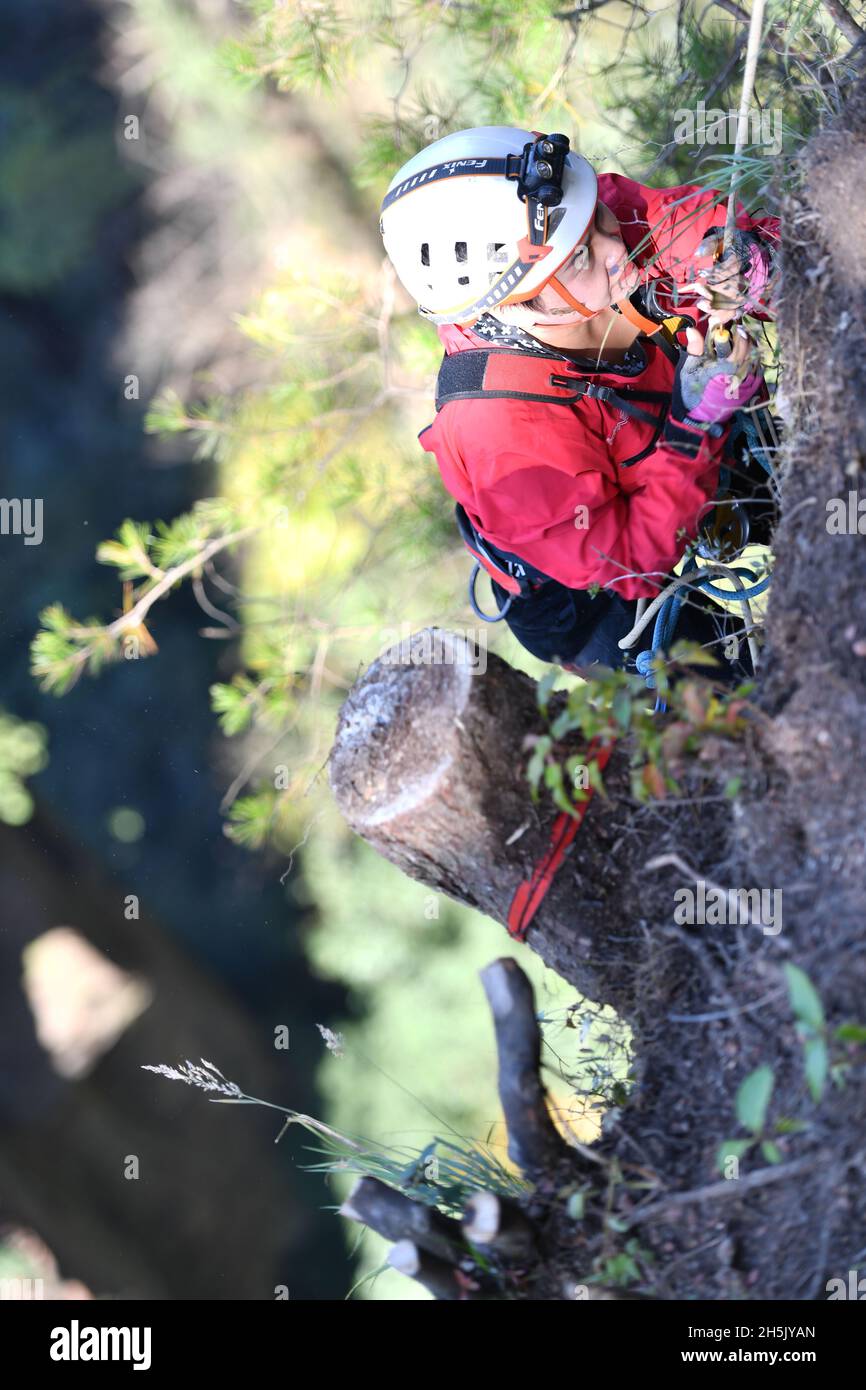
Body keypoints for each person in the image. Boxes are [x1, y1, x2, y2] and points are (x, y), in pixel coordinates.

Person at [379, 126, 779, 679]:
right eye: (578, 259)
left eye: (599, 221)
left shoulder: (568, 220)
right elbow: (629, 560)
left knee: (809, 492)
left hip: (668, 437)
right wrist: (695, 425)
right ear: (515, 306)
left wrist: (753, 266)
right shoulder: (500, 434)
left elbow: (682, 229)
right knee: (728, 696)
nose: (615, 249)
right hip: (591, 596)